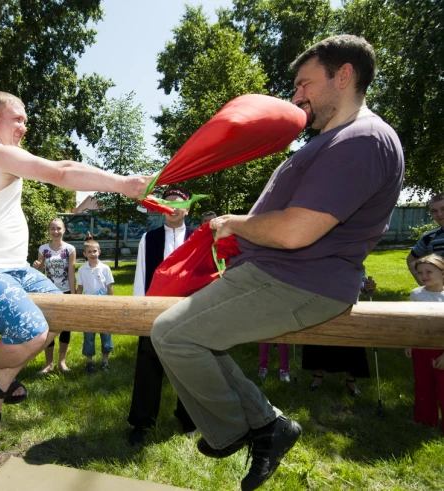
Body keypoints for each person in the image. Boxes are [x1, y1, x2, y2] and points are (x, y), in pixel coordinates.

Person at [149, 35, 404, 490]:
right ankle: (269, 426)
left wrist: (234, 223)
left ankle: (237, 430)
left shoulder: (362, 139)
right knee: (189, 337)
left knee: (173, 335)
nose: (296, 96)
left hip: (301, 281)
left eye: (305, 83)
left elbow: (294, 231)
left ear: (343, 75)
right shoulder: (334, 139)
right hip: (276, 275)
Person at [0, 91, 150, 434]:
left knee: (62, 312)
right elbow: (60, 174)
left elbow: (67, 167)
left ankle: (1, 381)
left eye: (25, 120)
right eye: (18, 119)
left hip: (14, 268)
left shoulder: (4, 156)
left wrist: (120, 181)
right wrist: (125, 185)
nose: (24, 127)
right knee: (32, 330)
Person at [128, 186, 197, 445]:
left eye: (177, 203)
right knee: (148, 365)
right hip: (154, 311)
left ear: (187, 209)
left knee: (189, 365)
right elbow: (141, 276)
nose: (172, 207)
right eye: (166, 203)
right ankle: (142, 422)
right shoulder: (150, 238)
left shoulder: (196, 238)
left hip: (187, 310)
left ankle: (190, 417)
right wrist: (139, 312)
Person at [302, 272, 377, 395]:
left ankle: (351, 379)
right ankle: (318, 376)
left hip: (347, 307)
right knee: (319, 341)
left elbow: (362, 287)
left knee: (349, 343)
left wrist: (368, 288)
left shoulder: (353, 262)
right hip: (321, 306)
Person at [405, 254, 444, 434]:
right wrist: (410, 344)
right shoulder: (416, 294)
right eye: (420, 272)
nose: (424, 276)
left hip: (441, 348)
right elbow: (413, 321)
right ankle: (424, 419)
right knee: (423, 383)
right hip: (421, 347)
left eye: (429, 271)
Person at [33, 218, 75, 374]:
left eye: (58, 228)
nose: (55, 231)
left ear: (63, 230)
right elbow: (39, 272)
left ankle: (62, 362)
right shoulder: (43, 249)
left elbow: (71, 273)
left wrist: (73, 295)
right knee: (48, 326)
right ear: (48, 231)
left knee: (65, 328)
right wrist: (37, 267)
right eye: (52, 228)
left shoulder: (70, 249)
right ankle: (48, 364)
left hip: (65, 292)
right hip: (47, 292)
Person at [77, 240, 115, 374]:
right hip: (87, 308)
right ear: (84, 254)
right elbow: (80, 288)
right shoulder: (82, 269)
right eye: (89, 252)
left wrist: (110, 305)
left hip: (103, 307)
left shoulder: (105, 268)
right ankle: (89, 362)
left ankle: (105, 362)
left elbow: (110, 288)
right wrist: (77, 303)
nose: (92, 254)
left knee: (105, 334)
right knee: (88, 335)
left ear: (99, 251)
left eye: (95, 251)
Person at [406, 193, 444, 285]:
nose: (439, 214)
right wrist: (425, 285)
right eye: (434, 211)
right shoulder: (429, 238)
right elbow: (411, 260)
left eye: (443, 209)